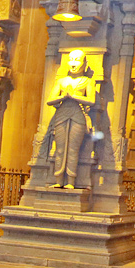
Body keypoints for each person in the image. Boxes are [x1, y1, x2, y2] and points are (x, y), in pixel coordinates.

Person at [40, 49, 96, 189]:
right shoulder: (62, 81)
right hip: (62, 114)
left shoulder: (87, 81)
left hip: (78, 115)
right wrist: (63, 97)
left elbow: (91, 101)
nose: (73, 63)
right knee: (60, 149)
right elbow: (50, 100)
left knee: (72, 149)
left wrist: (73, 96)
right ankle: (58, 179)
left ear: (84, 63)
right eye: (71, 59)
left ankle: (71, 181)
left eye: (77, 60)